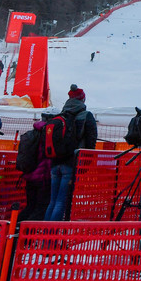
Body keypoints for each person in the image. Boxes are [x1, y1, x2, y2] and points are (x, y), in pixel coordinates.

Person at [44, 84, 98, 222]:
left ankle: (42, 232)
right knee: (62, 201)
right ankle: (51, 236)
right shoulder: (86, 116)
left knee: (53, 201)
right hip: (72, 162)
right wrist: (86, 163)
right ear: (82, 100)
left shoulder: (61, 115)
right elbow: (91, 143)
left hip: (55, 162)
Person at [17, 118, 52, 223]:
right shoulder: (48, 135)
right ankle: (25, 233)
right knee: (41, 208)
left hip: (29, 175)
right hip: (42, 176)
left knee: (30, 206)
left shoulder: (31, 134)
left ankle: (14, 229)